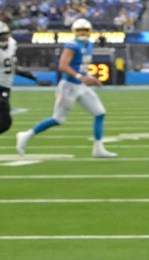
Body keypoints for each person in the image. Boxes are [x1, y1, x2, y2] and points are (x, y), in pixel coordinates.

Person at [15, 19, 116, 158]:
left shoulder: (89, 44)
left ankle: (98, 149)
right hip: (68, 86)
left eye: (85, 31)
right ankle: (26, 135)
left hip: (80, 86)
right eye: (79, 30)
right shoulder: (72, 45)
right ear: (74, 32)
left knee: (100, 113)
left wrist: (90, 78)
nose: (82, 33)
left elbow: (81, 67)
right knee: (58, 119)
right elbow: (62, 66)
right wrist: (81, 77)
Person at [1, 20, 49, 135]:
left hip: (5, 87)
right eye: (0, 36)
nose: (4, 38)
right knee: (5, 122)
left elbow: (13, 67)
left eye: (5, 35)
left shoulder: (12, 44)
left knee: (5, 123)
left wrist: (32, 77)